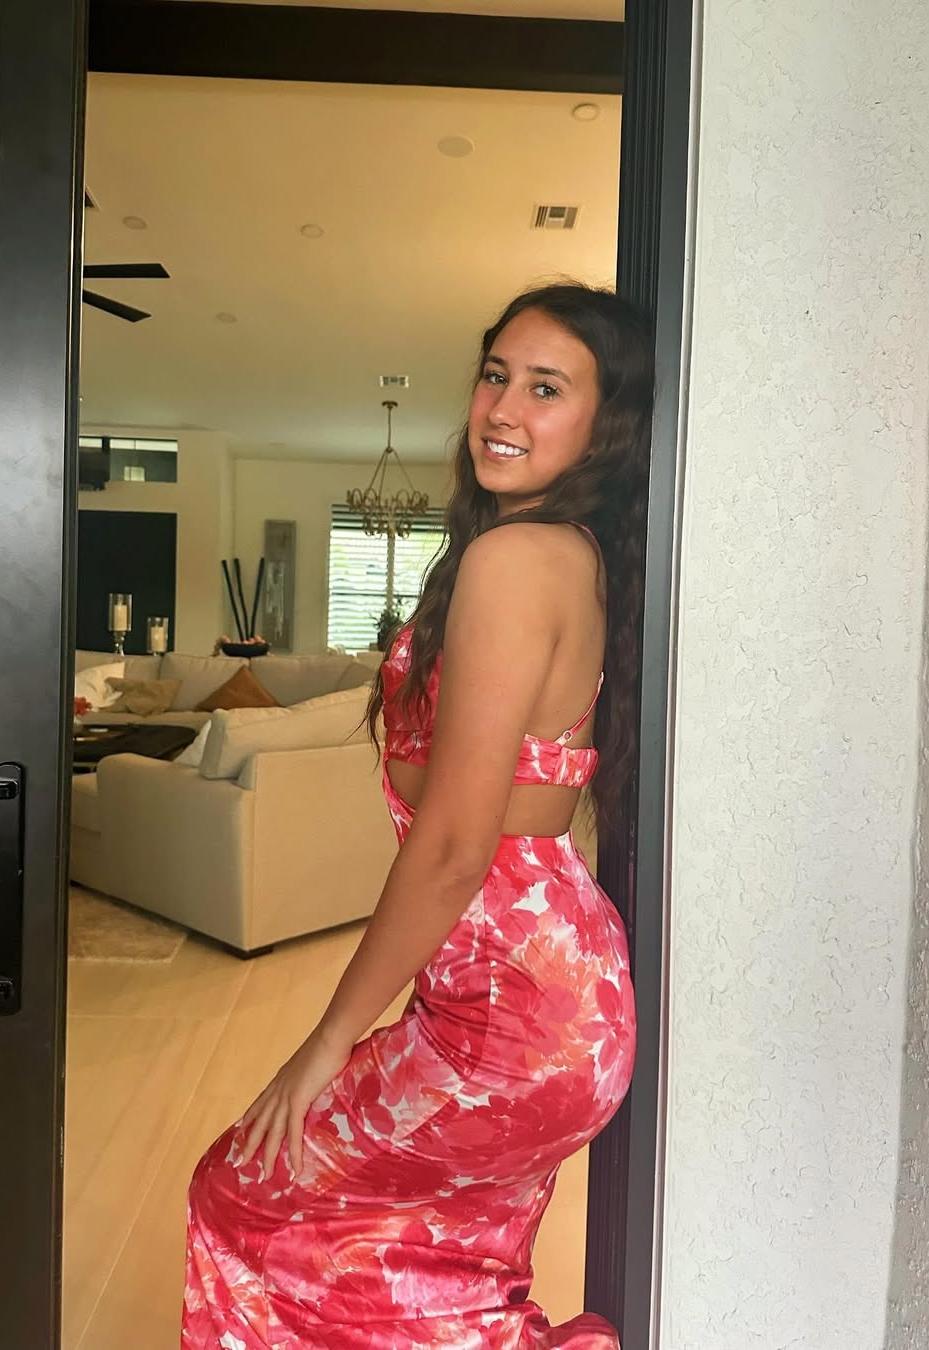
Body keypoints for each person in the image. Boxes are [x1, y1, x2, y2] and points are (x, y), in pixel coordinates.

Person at [182, 281, 653, 1348]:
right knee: (435, 1264)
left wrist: (325, 1043)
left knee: (241, 1197)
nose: (503, 410)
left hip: (513, 1017)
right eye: (495, 376)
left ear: (605, 424)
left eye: (546, 388)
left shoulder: (514, 562)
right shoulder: (568, 554)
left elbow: (451, 849)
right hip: (543, 1000)